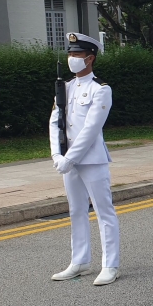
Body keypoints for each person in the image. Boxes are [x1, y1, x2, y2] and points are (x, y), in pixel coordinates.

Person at [49, 32, 120, 286]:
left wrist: (70, 157)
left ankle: (110, 264)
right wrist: (57, 153)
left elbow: (91, 129)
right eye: (70, 54)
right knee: (76, 210)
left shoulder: (100, 89)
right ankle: (79, 260)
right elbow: (54, 122)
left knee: (104, 211)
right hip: (69, 159)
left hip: (92, 159)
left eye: (77, 54)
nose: (72, 58)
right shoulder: (65, 87)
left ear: (90, 58)